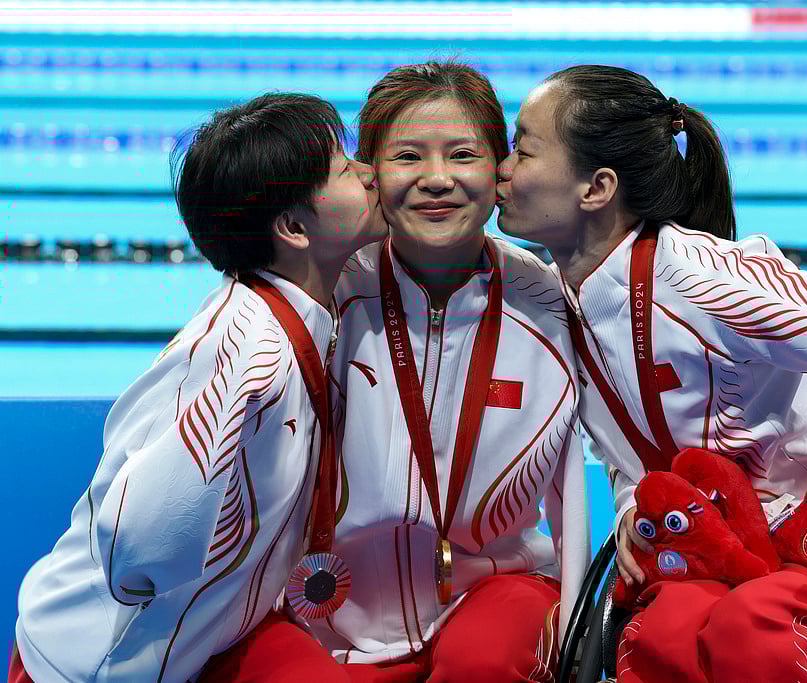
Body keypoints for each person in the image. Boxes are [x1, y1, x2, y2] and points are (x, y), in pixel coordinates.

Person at [495, 64, 807, 683]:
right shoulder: (557, 300)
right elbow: (626, 445)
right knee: (658, 635)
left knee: (749, 629)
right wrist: (635, 504)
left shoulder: (708, 280)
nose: (500, 169)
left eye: (522, 149)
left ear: (596, 188)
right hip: (711, 550)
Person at [197, 61, 588, 683]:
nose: (437, 180)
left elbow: (584, 477)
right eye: (408, 156)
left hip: (494, 592)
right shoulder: (324, 295)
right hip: (324, 606)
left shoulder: (549, 306)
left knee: (483, 664)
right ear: (369, 174)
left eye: (463, 154)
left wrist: (576, 636)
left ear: (500, 170)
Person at [10, 93, 384, 683]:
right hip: (94, 666)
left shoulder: (304, 311)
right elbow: (139, 548)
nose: (370, 171)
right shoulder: (244, 349)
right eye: (345, 167)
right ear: (292, 227)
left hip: (209, 638)